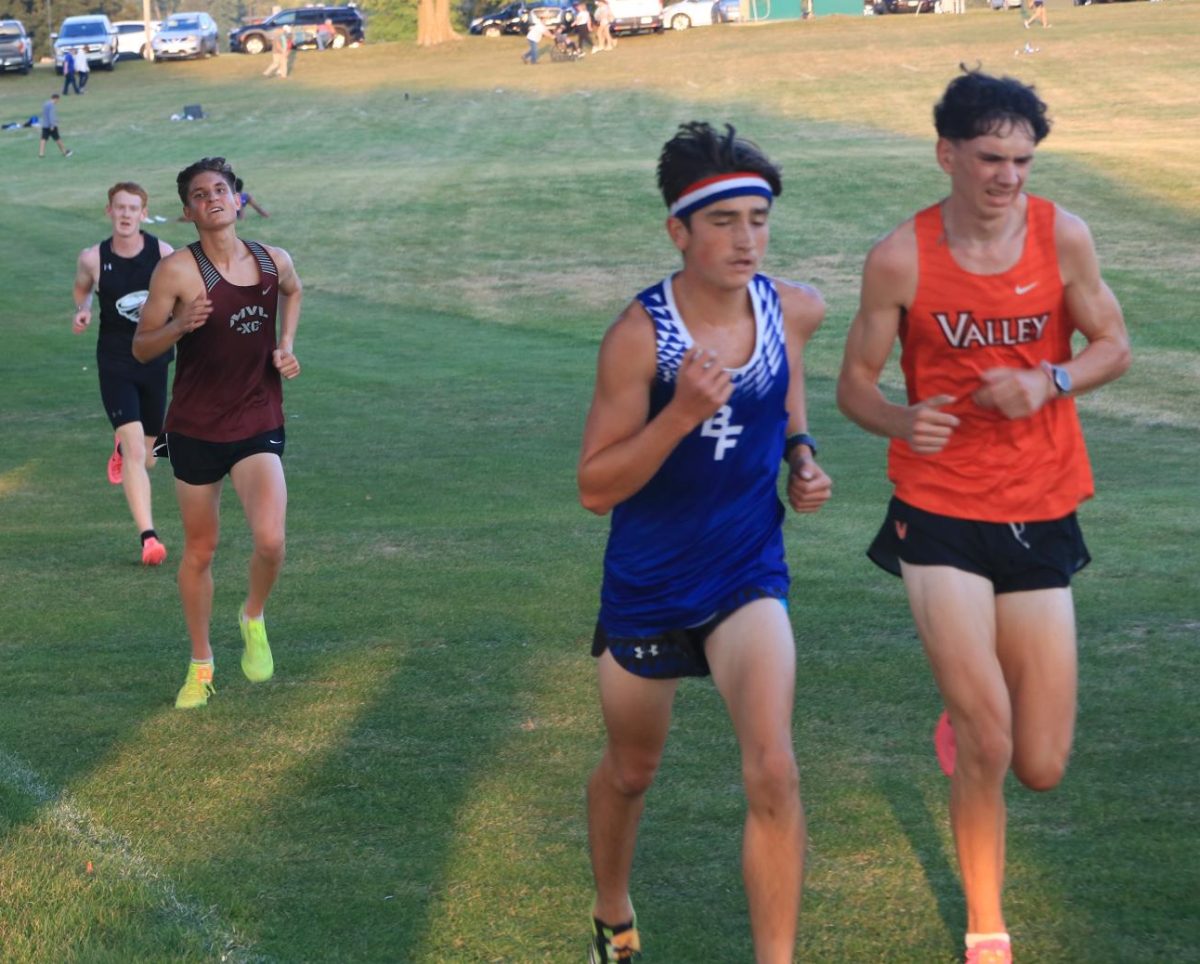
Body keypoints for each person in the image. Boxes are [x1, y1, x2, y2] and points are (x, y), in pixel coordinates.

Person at [836, 70, 1130, 964]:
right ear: (949, 154)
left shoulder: (1063, 238)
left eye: (1023, 161)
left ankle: (971, 720)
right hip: (938, 511)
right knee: (991, 740)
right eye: (992, 158)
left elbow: (1115, 345)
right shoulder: (902, 256)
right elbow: (855, 382)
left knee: (1039, 763)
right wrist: (897, 417)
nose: (1008, 176)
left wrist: (1051, 379)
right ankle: (986, 927)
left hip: (1041, 506)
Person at [579, 121, 832, 963]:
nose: (746, 239)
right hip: (648, 584)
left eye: (758, 219)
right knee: (631, 771)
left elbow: (788, 389)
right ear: (678, 231)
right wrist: (681, 413)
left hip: (747, 573)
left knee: (774, 770)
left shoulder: (793, 307)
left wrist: (801, 452)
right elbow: (595, 487)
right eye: (723, 222)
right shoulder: (640, 338)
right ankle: (612, 912)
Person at [133, 157, 303, 710]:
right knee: (201, 550)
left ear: (238, 199)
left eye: (221, 190)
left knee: (271, 540)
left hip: (257, 417)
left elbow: (294, 292)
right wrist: (181, 324)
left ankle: (252, 614)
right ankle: (201, 664)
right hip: (196, 428)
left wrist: (286, 346)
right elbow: (142, 346)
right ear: (188, 212)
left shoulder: (274, 261)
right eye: (200, 195)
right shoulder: (178, 273)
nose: (212, 199)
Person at [72, 182, 175, 565]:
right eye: (120, 207)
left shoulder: (163, 253)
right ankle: (149, 537)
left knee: (147, 457)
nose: (127, 214)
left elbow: (184, 295)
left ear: (144, 213)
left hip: (155, 360)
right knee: (135, 451)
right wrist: (83, 308)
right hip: (114, 361)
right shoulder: (92, 258)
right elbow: (82, 290)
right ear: (109, 211)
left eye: (134, 208)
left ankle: (122, 446)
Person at [38, 93, 72, 158]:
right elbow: (51, 115)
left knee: (43, 139)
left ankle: (41, 153)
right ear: (55, 98)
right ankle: (65, 152)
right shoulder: (52, 105)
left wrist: (56, 120)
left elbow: (45, 114)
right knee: (57, 138)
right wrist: (52, 125)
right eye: (58, 100)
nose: (58, 102)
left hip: (45, 125)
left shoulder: (45, 103)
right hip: (51, 126)